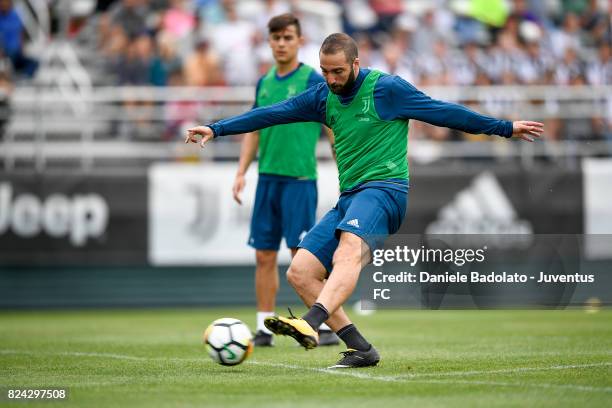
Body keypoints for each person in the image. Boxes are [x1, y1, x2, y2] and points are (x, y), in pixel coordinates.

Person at [185, 33, 543, 368]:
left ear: (355, 65)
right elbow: (271, 114)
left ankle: (311, 322)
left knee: (347, 250)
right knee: (301, 272)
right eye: (325, 71)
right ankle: (361, 348)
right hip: (351, 196)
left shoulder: (386, 89)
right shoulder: (323, 95)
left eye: (338, 71)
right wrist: (216, 128)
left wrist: (504, 127)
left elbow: (445, 112)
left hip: (386, 191)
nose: (331, 78)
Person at [232, 13, 338, 347]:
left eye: (287, 37)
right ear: (269, 42)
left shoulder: (311, 79)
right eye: (276, 37)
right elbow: (253, 129)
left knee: (301, 257)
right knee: (263, 256)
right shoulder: (264, 83)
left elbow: (332, 125)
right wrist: (240, 172)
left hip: (299, 180)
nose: (281, 43)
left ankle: (323, 326)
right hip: (267, 181)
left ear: (299, 41)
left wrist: (345, 165)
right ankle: (265, 327)